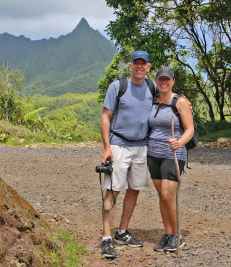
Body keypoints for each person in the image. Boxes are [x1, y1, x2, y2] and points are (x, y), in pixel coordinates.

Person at [99, 51, 153, 259]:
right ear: (130, 66)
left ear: (148, 67)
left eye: (143, 64)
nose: (139, 67)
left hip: (141, 146)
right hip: (119, 144)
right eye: (136, 63)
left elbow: (168, 97)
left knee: (134, 189)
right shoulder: (117, 86)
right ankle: (106, 238)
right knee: (112, 191)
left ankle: (122, 231)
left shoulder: (151, 87)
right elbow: (105, 117)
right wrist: (107, 147)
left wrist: (184, 102)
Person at [147, 66, 194, 252]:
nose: (163, 82)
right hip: (154, 154)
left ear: (173, 81)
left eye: (167, 79)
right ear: (157, 81)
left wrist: (179, 142)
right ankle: (168, 234)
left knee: (167, 195)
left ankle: (177, 235)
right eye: (160, 79)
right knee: (162, 196)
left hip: (173, 154)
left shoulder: (180, 101)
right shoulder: (153, 101)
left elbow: (190, 129)